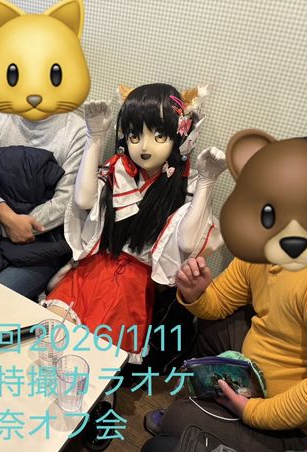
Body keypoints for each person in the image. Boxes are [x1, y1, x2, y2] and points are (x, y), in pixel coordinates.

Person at [141, 245, 307, 452]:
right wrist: (195, 294)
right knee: (215, 327)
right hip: (266, 379)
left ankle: (208, 417)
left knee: (178, 420)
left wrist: (251, 411)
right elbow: (220, 299)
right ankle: (212, 410)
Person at [44, 84, 226, 362]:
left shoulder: (184, 186)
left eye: (159, 135)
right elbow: (82, 200)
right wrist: (95, 137)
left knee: (90, 358)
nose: (144, 146)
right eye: (134, 135)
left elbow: (188, 242)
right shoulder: (117, 170)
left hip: (132, 285)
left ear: (181, 135)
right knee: (50, 339)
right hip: (94, 269)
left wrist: (206, 181)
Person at [0, 105, 87, 300]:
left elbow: (66, 201)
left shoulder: (78, 130)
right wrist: (5, 216)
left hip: (41, 245)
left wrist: (0, 229)